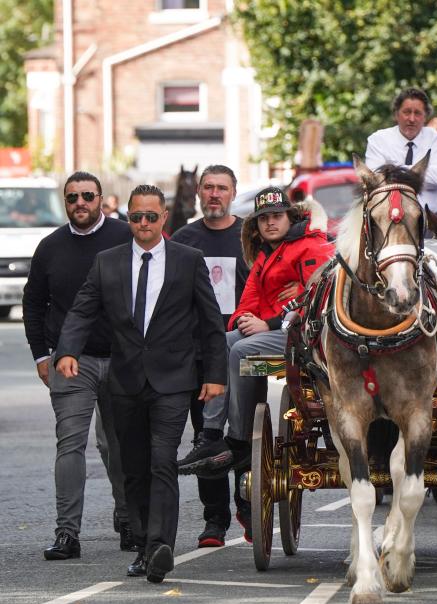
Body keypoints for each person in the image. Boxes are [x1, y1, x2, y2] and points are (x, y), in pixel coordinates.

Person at [54, 184, 227, 583]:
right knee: (132, 468)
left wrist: (216, 376)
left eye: (151, 217)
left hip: (173, 380)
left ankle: (157, 546)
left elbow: (211, 323)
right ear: (126, 218)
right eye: (136, 217)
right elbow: (81, 311)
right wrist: (67, 351)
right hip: (126, 381)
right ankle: (147, 542)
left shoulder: (188, 260)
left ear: (164, 218)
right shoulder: (106, 262)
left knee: (162, 460)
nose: (144, 224)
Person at [178, 189, 333, 493]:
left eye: (277, 216)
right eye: (264, 219)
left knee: (240, 350)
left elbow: (319, 299)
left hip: (307, 333)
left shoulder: (309, 246)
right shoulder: (266, 254)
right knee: (223, 340)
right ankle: (210, 434)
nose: (270, 223)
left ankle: (238, 438)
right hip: (273, 330)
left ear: (291, 217)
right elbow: (246, 300)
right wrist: (245, 321)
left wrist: (268, 322)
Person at [23, 171, 132, 560]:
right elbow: (33, 303)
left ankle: (128, 517)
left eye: (87, 195)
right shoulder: (50, 247)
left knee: (117, 444)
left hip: (122, 360)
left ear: (102, 198)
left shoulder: (126, 237)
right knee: (70, 444)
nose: (80, 203)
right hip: (71, 361)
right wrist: (41, 354)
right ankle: (67, 533)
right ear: (65, 202)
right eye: (72, 198)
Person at [171, 165, 250, 548]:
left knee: (245, 433)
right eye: (208, 188)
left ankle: (248, 507)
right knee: (208, 436)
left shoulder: (249, 236)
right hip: (198, 354)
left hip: (240, 352)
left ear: (233, 192)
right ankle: (214, 520)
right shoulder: (184, 239)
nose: (214, 194)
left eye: (221, 188)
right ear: (199, 194)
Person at [365, 87, 437, 213]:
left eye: (417, 113)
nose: (412, 119)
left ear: (425, 116)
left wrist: (392, 171)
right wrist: (418, 173)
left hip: (432, 219)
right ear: (396, 114)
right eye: (407, 112)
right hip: (391, 216)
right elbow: (375, 179)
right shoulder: (378, 140)